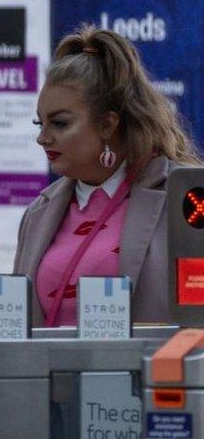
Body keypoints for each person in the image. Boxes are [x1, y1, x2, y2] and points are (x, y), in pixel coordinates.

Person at [13, 26, 201, 326]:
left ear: (107, 124)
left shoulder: (183, 198)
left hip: (152, 372)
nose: (43, 138)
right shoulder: (39, 212)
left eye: (59, 124)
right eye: (40, 124)